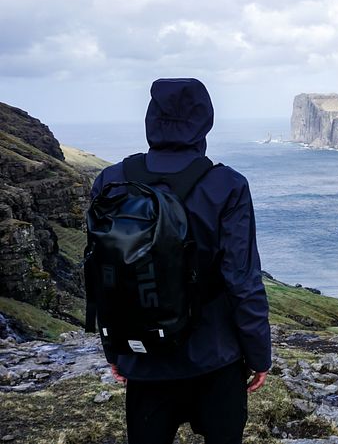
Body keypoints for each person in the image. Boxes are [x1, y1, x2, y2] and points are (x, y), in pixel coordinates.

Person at [90, 78, 271, 444]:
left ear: (150, 118)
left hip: (145, 359)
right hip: (214, 358)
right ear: (205, 120)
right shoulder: (227, 185)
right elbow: (242, 279)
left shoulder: (111, 180)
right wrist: (259, 355)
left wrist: (115, 350)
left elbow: (101, 274)